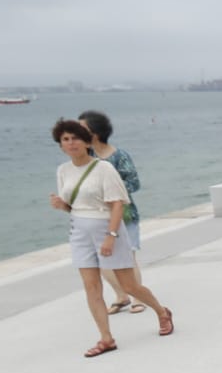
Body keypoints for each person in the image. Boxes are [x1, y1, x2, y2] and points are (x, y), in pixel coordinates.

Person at [48, 118, 172, 356]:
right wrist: (61, 205)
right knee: (91, 287)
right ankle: (106, 338)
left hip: (107, 228)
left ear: (86, 141)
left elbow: (117, 205)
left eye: (75, 138)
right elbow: (74, 207)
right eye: (65, 139)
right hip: (79, 231)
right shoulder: (63, 171)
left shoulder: (103, 168)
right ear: (60, 145)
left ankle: (161, 311)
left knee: (129, 285)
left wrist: (111, 236)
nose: (71, 143)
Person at [78, 110, 144, 315]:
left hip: (124, 214)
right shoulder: (85, 159)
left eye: (82, 129)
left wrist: (110, 189)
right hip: (96, 216)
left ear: (95, 133)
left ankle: (137, 297)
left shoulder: (120, 156)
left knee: (128, 257)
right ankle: (121, 295)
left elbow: (134, 183)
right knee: (103, 259)